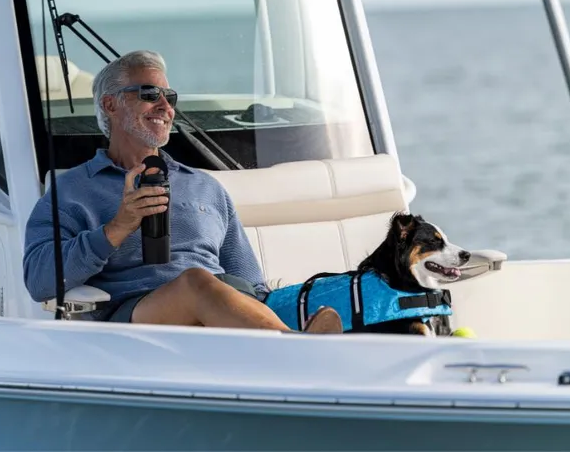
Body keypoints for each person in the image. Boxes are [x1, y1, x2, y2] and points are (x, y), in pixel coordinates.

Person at [23, 50, 342, 333]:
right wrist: (116, 229)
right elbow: (39, 281)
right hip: (133, 321)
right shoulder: (70, 190)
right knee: (195, 282)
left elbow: (252, 285)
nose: (165, 106)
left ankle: (296, 348)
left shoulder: (205, 186)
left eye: (169, 97)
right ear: (110, 105)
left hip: (217, 320)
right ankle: (297, 349)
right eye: (149, 93)